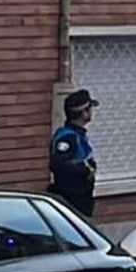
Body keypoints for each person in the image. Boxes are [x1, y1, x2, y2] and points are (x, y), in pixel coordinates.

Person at [50, 89, 99, 217]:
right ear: (83, 112)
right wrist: (86, 169)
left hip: (82, 201)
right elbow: (59, 164)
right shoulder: (67, 137)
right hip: (72, 203)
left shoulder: (79, 135)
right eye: (90, 109)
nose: (92, 112)